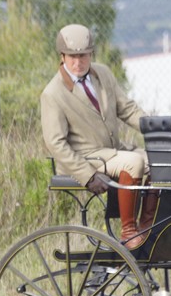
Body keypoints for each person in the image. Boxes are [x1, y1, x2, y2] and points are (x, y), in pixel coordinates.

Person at [40, 23, 155, 249]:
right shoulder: (53, 94)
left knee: (158, 159)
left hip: (112, 151)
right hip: (85, 158)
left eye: (83, 55)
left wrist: (157, 128)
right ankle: (129, 232)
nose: (77, 62)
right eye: (71, 56)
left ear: (91, 53)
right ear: (62, 56)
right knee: (133, 162)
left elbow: (127, 109)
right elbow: (56, 143)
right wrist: (88, 175)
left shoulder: (103, 74)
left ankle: (148, 227)